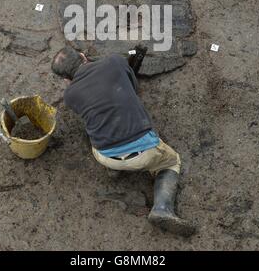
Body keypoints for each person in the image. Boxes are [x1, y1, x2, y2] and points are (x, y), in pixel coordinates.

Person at [51, 46, 195, 237]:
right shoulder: (114, 61)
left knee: (94, 129)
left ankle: (115, 169)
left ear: (66, 80)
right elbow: (134, 89)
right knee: (171, 162)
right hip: (145, 152)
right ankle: (162, 207)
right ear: (83, 56)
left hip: (105, 155)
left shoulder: (69, 96)